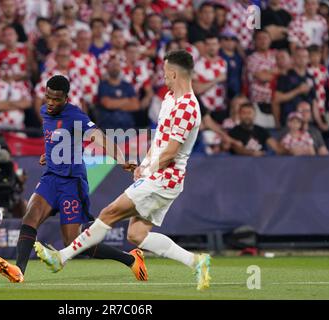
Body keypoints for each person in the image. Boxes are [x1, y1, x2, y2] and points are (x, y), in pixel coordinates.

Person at [34, 50, 212, 291]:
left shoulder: (187, 107)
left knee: (109, 213)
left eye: (165, 72)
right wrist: (144, 165)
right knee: (137, 235)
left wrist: (147, 168)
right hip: (158, 175)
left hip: (164, 178)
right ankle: (196, 261)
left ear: (173, 72)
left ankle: (61, 258)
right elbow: (159, 140)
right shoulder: (170, 99)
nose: (163, 76)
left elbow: (170, 152)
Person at [0, 75, 147, 283]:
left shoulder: (75, 116)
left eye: (56, 99)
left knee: (74, 242)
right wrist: (49, 154)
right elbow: (57, 139)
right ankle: (19, 271)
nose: (50, 103)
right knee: (31, 216)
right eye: (48, 97)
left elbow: (99, 137)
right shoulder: (44, 111)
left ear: (66, 98)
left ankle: (130, 259)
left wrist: (120, 159)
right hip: (50, 178)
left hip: (72, 183)